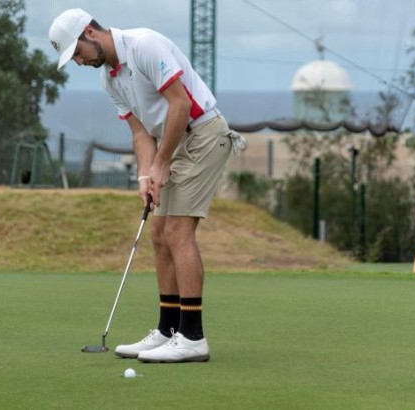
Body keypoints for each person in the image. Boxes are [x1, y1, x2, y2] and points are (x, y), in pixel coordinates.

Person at [49, 8, 245, 363]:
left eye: (76, 52)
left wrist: (162, 162)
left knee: (178, 232)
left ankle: (193, 336)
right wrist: (146, 175)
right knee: (158, 234)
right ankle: (168, 329)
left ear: (90, 32)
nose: (77, 61)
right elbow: (140, 134)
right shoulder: (109, 79)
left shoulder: (145, 46)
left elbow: (180, 104)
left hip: (202, 135)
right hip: (172, 143)